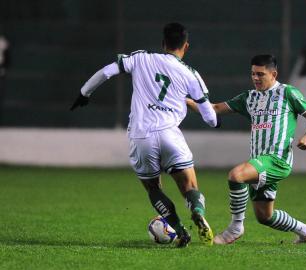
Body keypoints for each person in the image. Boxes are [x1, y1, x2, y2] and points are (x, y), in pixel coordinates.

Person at [70, 23, 219, 248]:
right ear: (186, 46)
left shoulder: (142, 58)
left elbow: (107, 71)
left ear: (163, 44)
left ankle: (179, 231)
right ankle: (197, 211)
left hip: (141, 136)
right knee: (189, 187)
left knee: (153, 188)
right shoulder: (191, 74)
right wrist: (203, 113)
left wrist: (84, 92)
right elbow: (210, 118)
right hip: (170, 134)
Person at [187, 54, 306, 244]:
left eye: (261, 74)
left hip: (277, 160)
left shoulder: (287, 93)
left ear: (273, 74)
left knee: (236, 175)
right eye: (253, 74)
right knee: (265, 216)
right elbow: (215, 108)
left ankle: (235, 228)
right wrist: (185, 101)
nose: (256, 78)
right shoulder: (249, 98)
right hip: (260, 161)